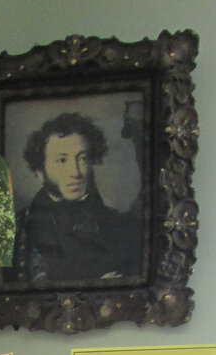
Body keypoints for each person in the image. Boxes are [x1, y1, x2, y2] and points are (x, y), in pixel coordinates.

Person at [9, 112, 142, 286]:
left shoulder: (118, 224)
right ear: (40, 171)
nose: (76, 173)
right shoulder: (16, 230)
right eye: (62, 160)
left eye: (83, 159)